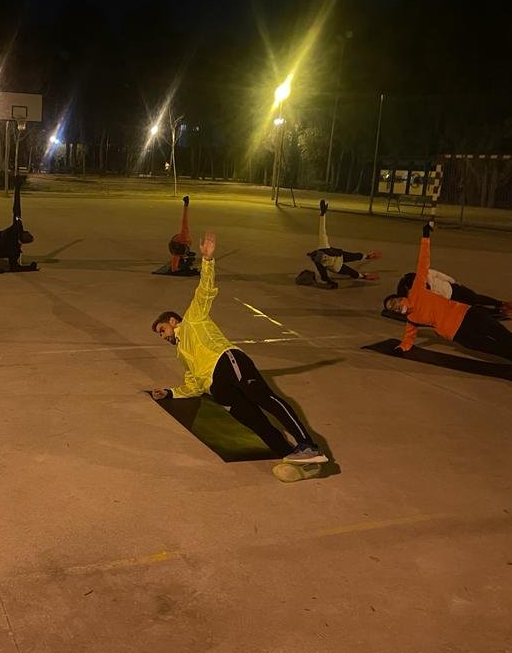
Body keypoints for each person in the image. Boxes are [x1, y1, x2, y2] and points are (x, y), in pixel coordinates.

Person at [150, 231, 327, 464]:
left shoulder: (193, 318)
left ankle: (308, 444)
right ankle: (287, 452)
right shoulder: (181, 354)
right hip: (217, 388)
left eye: (162, 329)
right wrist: (171, 392)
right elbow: (193, 384)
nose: (162, 336)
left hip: (226, 361)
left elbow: (204, 290)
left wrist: (208, 260)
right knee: (253, 419)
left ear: (173, 321)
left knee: (266, 400)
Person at [384, 221, 512, 380]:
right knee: (504, 352)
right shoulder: (412, 319)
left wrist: (425, 236)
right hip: (461, 336)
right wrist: (401, 349)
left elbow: (423, 261)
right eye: (391, 309)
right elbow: (408, 339)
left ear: (400, 297)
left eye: (393, 303)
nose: (394, 308)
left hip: (469, 315)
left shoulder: (417, 290)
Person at [305, 200, 381, 288]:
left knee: (354, 255)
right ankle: (365, 276)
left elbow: (322, 230)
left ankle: (367, 256)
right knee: (351, 272)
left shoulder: (323, 246)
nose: (326, 258)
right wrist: (330, 283)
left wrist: (322, 214)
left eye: (325, 256)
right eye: (324, 260)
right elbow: (324, 277)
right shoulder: (320, 265)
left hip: (339, 255)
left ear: (324, 252)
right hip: (337, 266)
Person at [396, 270, 512, 318]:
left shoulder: (426, 274)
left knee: (475, 298)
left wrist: (454, 281)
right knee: (470, 309)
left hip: (453, 289)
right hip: (448, 301)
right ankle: (499, 312)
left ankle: (500, 303)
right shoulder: (416, 291)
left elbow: (440, 275)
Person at [166, 195, 198, 275]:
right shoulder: (184, 235)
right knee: (179, 251)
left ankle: (182, 257)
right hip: (175, 247)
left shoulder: (185, 239)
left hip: (178, 245)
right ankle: (176, 264)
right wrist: (185, 205)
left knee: (185, 246)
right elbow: (184, 220)